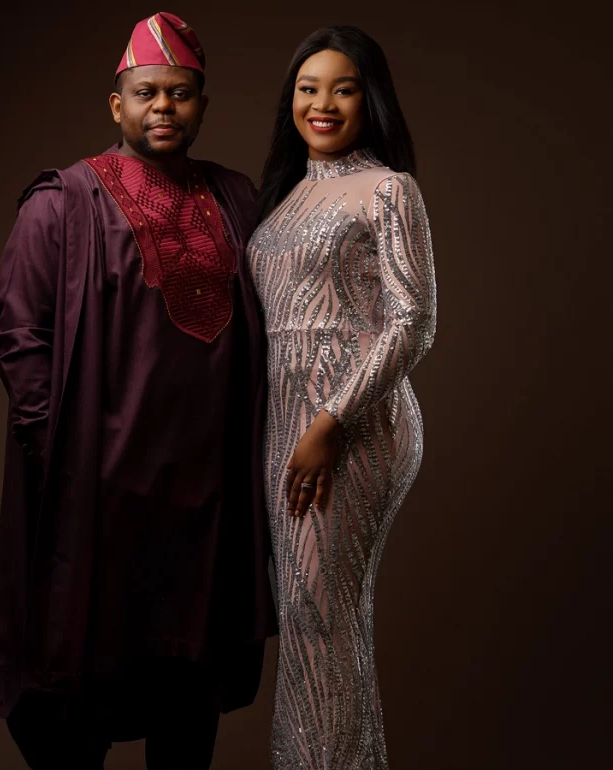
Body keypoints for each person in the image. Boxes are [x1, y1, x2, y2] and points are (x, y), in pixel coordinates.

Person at [0, 12, 276, 770]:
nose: (164, 109)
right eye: (148, 93)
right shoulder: (61, 204)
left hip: (205, 503)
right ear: (117, 104)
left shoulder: (238, 199)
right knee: (79, 692)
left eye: (180, 95)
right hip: (104, 495)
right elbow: (21, 340)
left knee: (189, 695)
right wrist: (66, 459)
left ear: (202, 106)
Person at [248, 25, 437, 768]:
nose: (322, 103)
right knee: (304, 620)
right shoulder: (286, 195)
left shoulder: (389, 188)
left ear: (371, 98)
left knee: (322, 617)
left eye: (344, 87)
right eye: (307, 87)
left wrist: (330, 419)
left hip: (350, 423)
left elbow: (415, 319)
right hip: (287, 427)